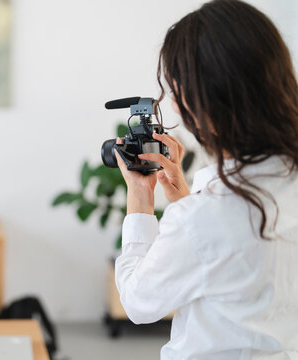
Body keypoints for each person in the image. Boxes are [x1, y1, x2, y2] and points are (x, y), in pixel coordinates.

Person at [113, 0, 298, 358]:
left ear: (204, 101)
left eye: (176, 92)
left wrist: (140, 199)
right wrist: (185, 196)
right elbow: (237, 262)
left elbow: (138, 303)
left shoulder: (205, 217)